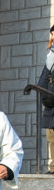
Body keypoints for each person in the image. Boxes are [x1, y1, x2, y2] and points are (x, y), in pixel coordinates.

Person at [38, 24, 54, 173]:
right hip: (51, 103)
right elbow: (43, 79)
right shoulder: (50, 57)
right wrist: (43, 95)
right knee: (51, 137)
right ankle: (53, 167)